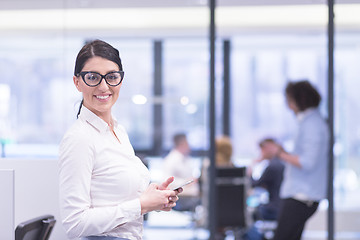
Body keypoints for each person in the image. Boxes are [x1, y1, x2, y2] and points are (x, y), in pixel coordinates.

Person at [58, 39, 181, 240]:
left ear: (120, 81)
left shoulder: (118, 131)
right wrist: (142, 204)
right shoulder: (80, 139)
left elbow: (117, 199)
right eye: (92, 77)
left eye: (112, 77)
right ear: (77, 82)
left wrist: (153, 197)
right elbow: (75, 223)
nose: (104, 86)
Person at [269, 80, 329, 240]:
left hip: (301, 196)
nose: (288, 105)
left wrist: (279, 153)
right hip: (300, 194)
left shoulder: (313, 125)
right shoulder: (310, 122)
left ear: (299, 100)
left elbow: (307, 162)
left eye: (289, 100)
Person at [244, 138, 285, 240]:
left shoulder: (273, 167)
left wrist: (252, 166)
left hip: (274, 209)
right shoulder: (281, 163)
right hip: (282, 206)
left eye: (261, 150)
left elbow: (254, 184)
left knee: (249, 214)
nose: (260, 153)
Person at [162, 133, 200, 211]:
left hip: (189, 195)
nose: (189, 146)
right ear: (182, 144)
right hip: (181, 198)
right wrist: (186, 182)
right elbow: (166, 180)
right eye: (187, 143)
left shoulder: (185, 158)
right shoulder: (171, 160)